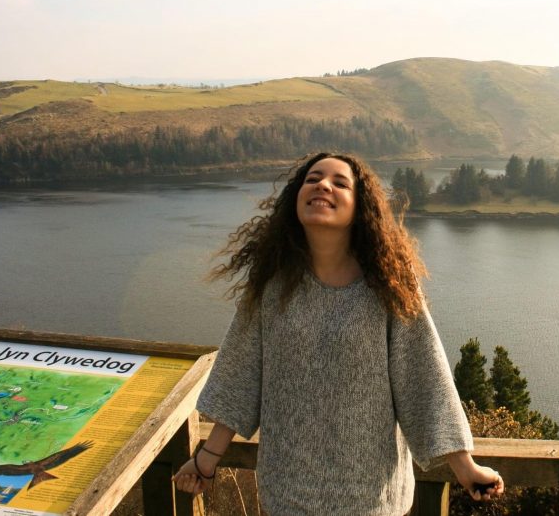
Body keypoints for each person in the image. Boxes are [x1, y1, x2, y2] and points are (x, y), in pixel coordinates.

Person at [172, 152, 504, 515]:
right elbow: (241, 374)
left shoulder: (388, 285)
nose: (322, 185)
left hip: (372, 500)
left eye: (340, 182)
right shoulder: (272, 284)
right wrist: (206, 460)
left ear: (360, 207)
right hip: (286, 496)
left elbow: (424, 377)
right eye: (312, 179)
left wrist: (466, 468)